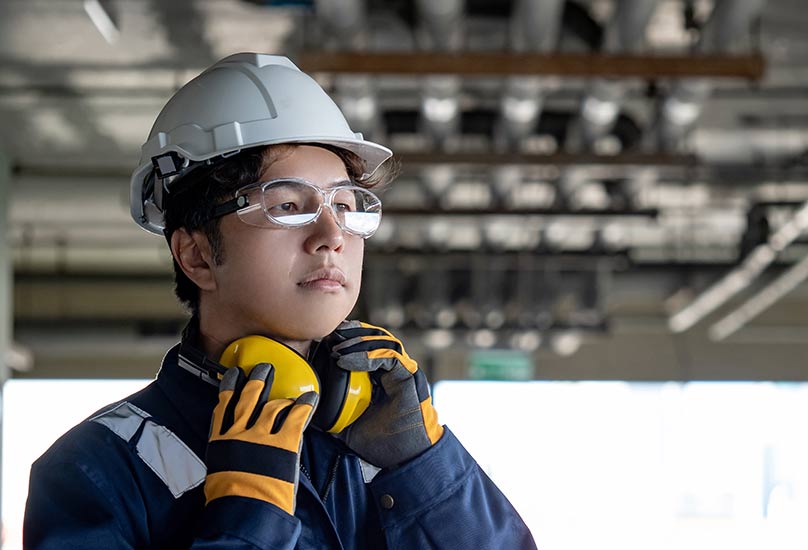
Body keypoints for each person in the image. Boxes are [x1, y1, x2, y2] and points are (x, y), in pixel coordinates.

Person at [23, 53, 536, 549]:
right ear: (197, 255)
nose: (332, 235)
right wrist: (248, 521)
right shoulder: (98, 470)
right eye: (288, 205)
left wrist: (424, 469)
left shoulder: (388, 442)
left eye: (344, 204)